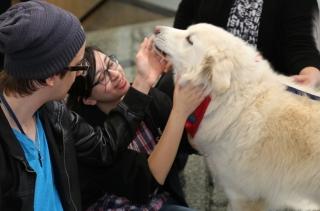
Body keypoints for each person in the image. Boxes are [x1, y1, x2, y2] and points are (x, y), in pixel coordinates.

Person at [0, 1, 204, 210]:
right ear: (50, 77)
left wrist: (144, 83)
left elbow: (104, 146)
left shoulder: (55, 114)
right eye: (79, 66)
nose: (81, 73)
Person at [66, 42, 204, 210]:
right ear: (88, 99)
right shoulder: (90, 135)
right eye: (102, 78)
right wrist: (179, 112)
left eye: (110, 63)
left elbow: (186, 141)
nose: (115, 74)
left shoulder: (145, 97)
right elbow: (145, 183)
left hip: (158, 195)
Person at [157, 0, 320, 99]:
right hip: (207, 74)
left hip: (258, 89)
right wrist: (173, 53)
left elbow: (301, 43)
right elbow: (186, 13)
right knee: (166, 88)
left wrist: (311, 72)